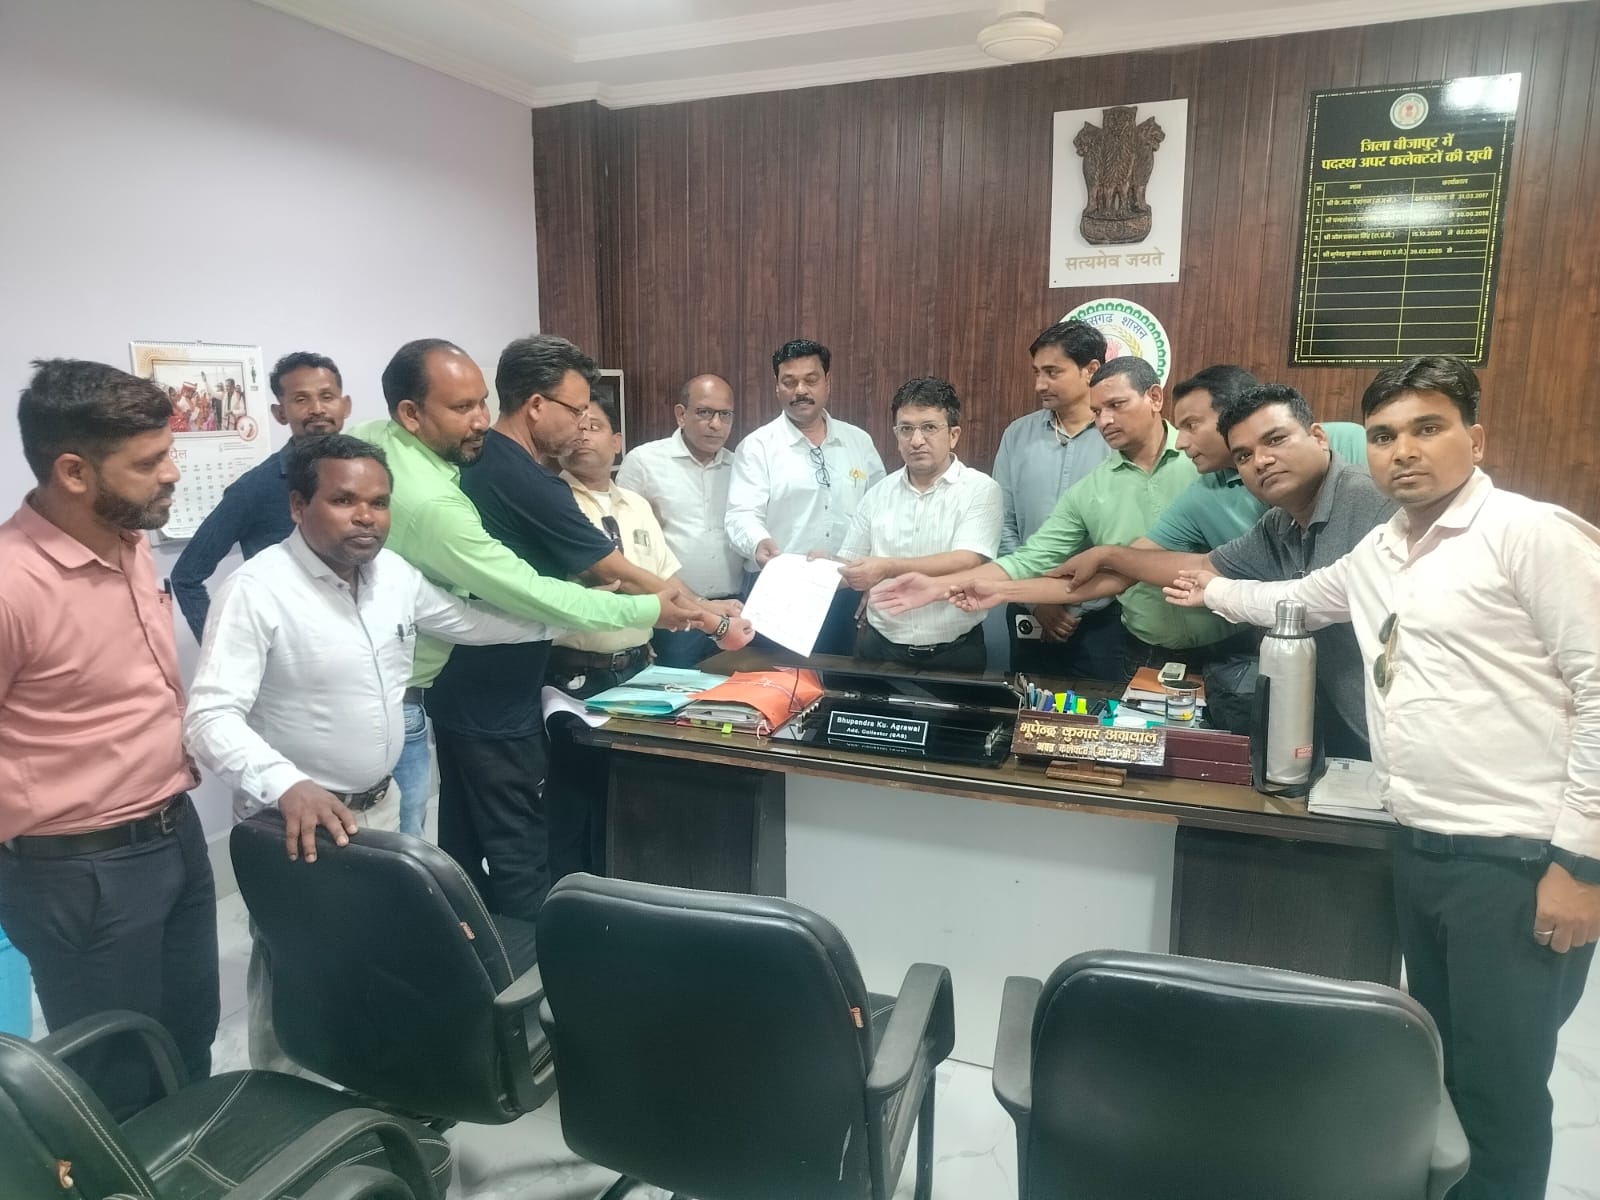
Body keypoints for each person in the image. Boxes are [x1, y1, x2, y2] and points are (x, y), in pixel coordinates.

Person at [1165, 356, 1600, 1199]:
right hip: (1418, 846)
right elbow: (1299, 599)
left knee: (1501, 1090)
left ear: (1476, 438)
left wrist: (1581, 864)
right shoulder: (1384, 549)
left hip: (1515, 861)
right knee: (1438, 1068)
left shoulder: (1531, 534)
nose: (1404, 451)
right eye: (1386, 434)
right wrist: (1210, 589)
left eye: (1428, 428)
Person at [184, 433, 566, 1071]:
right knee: (297, 970)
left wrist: (583, 618)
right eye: (344, 501)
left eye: (379, 502)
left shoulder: (393, 576)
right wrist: (285, 783)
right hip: (296, 824)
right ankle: (288, 1104)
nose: (366, 517)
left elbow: (468, 623)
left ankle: (370, 1090)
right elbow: (208, 717)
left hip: (379, 808)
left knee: (373, 957)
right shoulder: (256, 589)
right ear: (299, 506)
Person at [354, 338, 703, 920]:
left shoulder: (411, 446)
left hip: (452, 683)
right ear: (537, 406)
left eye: (480, 402)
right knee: (516, 843)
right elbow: (544, 589)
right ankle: (531, 965)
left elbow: (463, 613)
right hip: (482, 698)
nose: (479, 420)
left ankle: (472, 949)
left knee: (463, 835)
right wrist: (661, 610)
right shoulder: (459, 497)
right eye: (577, 411)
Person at [0, 359, 217, 1113]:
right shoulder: (12, 583)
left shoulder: (125, 540)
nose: (171, 473)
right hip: (79, 870)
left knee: (189, 1034)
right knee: (115, 1069)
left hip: (173, 832)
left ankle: (196, 1161)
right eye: (149, 462)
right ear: (73, 471)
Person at [957, 384, 1395, 755]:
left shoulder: (1375, 499)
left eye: (1276, 440)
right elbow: (1198, 565)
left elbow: (1313, 598)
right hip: (1334, 711)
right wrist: (1007, 590)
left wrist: (1219, 593)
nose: (1261, 461)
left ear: (1319, 436)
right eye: (1244, 454)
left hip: (1391, 718)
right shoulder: (1271, 522)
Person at [873, 357, 1237, 682]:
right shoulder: (1091, 489)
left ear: (1154, 398)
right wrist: (940, 587)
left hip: (1233, 648)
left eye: (1117, 405)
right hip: (1142, 654)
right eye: (1097, 411)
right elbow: (1035, 560)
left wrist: (1106, 555)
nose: (1105, 420)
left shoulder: (1207, 464)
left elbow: (1218, 563)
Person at [546, 391, 722, 881]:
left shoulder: (638, 505)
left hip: (638, 670)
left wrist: (710, 611)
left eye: (594, 426)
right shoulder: (550, 501)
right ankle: (570, 899)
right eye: (575, 425)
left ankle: (622, 896)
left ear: (617, 441)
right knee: (572, 800)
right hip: (574, 677)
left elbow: (666, 578)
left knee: (631, 796)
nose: (582, 435)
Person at [171, 351, 351, 640]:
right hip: (290, 649)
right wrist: (222, 649)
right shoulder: (255, 488)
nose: (317, 409)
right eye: (301, 399)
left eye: (327, 396)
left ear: (345, 405)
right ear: (280, 413)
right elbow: (185, 577)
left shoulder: (366, 475)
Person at [830, 377, 1002, 672]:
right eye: (906, 429)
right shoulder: (877, 494)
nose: (916, 440)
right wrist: (819, 568)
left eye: (929, 427)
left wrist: (886, 567)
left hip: (955, 652)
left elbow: (967, 559)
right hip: (879, 649)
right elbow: (850, 563)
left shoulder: (980, 489)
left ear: (954, 435)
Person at [726, 339, 885, 654]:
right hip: (780, 592)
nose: (800, 390)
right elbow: (740, 514)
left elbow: (881, 513)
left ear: (828, 382)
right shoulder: (759, 446)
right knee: (783, 678)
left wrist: (879, 577)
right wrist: (758, 542)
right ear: (777, 387)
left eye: (811, 380)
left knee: (843, 676)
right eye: (789, 382)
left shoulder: (858, 441)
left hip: (846, 590)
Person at [991, 320, 1117, 677]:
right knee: (1028, 708)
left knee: (1098, 711)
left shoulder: (1117, 438)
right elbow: (1002, 523)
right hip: (1029, 611)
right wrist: (1038, 600)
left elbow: (1129, 539)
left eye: (1052, 372)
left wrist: (1073, 604)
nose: (1039, 384)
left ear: (1090, 370)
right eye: (1037, 372)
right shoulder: (1018, 435)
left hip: (1101, 618)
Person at [616, 374, 744, 666]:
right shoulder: (645, 462)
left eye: (725, 415)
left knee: (732, 691)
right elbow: (626, 546)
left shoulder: (740, 466)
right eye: (705, 412)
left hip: (734, 607)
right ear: (681, 414)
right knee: (677, 692)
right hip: (674, 612)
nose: (716, 424)